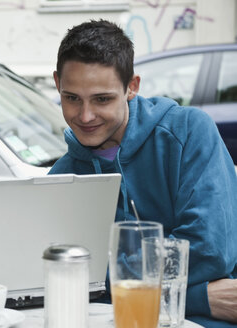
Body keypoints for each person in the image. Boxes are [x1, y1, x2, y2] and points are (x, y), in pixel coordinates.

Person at [49, 19, 237, 327]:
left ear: (132, 87)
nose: (84, 116)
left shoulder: (188, 131)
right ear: (57, 83)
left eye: (102, 99)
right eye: (71, 98)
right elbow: (66, 278)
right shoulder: (60, 178)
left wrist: (109, 277)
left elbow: (210, 251)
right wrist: (197, 297)